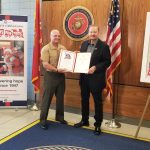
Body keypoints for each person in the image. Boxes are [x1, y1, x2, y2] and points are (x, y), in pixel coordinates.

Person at [74, 25, 111, 135]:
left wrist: (95, 67)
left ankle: (98, 125)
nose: (92, 34)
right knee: (84, 101)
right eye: (91, 32)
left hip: (96, 79)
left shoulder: (104, 46)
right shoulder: (84, 44)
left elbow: (107, 62)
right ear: (88, 33)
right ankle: (84, 120)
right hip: (84, 79)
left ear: (98, 32)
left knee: (97, 103)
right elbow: (83, 59)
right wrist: (77, 55)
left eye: (94, 32)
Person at [40, 29, 67, 130]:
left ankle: (60, 117)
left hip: (61, 76)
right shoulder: (45, 49)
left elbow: (68, 59)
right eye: (55, 36)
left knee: (60, 98)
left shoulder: (63, 48)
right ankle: (43, 120)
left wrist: (75, 56)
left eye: (58, 36)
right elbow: (45, 64)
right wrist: (56, 69)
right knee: (47, 99)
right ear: (50, 36)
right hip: (50, 76)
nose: (57, 38)